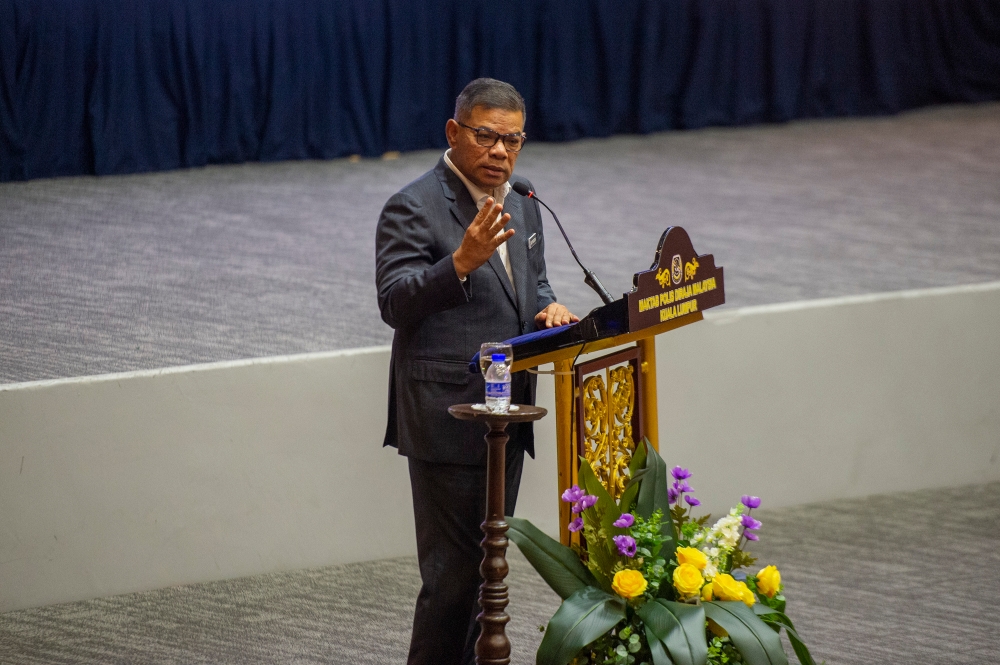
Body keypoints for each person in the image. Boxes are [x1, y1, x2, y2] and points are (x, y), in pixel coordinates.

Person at [375, 78, 578, 665]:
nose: (500, 152)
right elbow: (394, 302)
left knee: (487, 576)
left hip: (506, 413)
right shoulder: (412, 206)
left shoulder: (521, 198)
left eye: (513, 140)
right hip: (448, 416)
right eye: (486, 136)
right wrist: (459, 262)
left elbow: (532, 281)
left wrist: (550, 306)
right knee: (454, 580)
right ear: (454, 132)